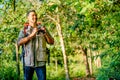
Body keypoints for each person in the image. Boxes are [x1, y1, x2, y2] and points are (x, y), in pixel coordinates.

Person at [17, 10, 54, 80]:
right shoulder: (24, 30)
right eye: (33, 15)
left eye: (36, 15)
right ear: (28, 17)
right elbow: (19, 42)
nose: (35, 17)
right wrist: (31, 35)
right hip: (27, 62)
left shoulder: (43, 29)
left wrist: (46, 33)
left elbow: (51, 42)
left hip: (40, 62)